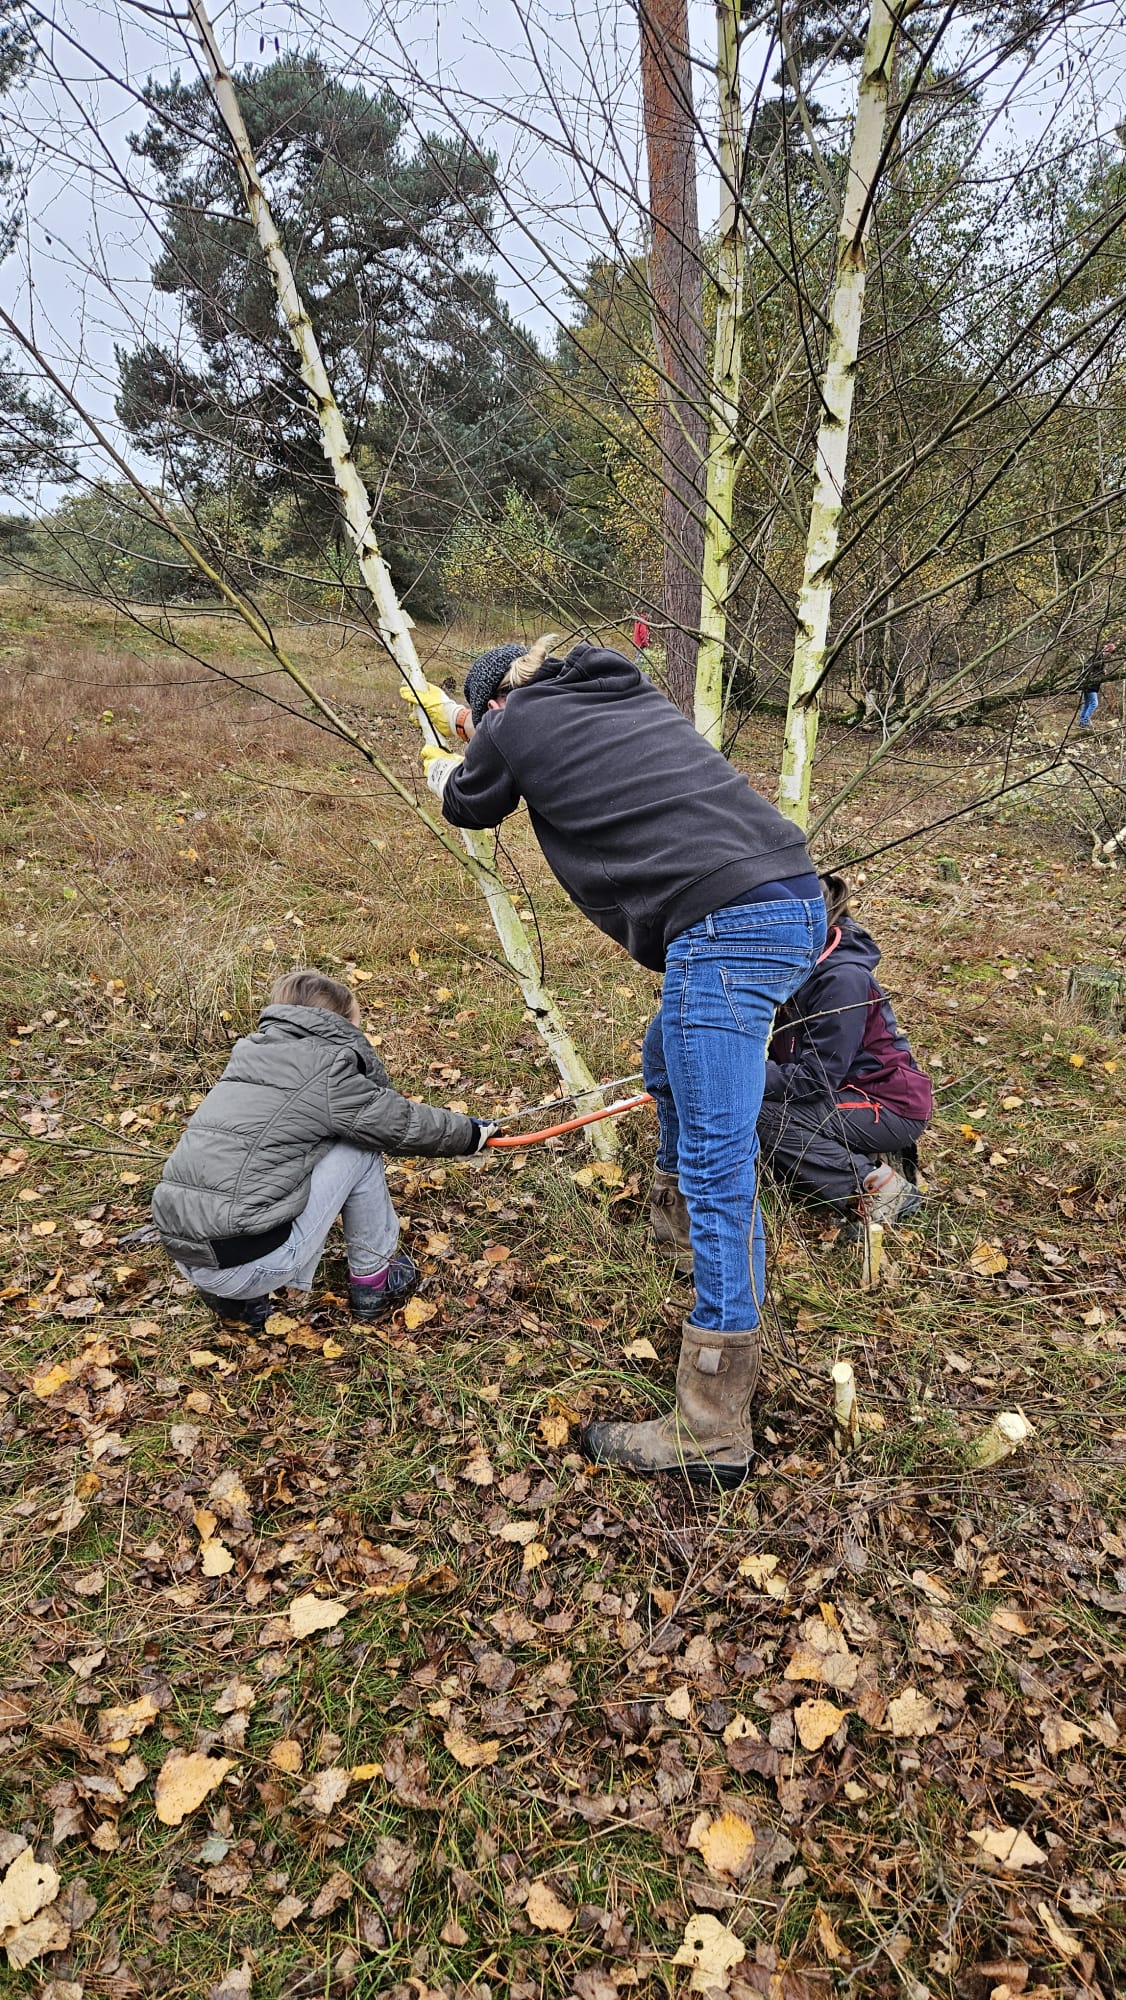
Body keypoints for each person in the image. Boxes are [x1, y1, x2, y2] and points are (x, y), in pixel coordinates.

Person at [406, 633, 826, 1486]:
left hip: (722, 929)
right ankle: (681, 1238)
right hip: (792, 900)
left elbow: (470, 805)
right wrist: (470, 724)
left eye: (481, 721)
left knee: (719, 1165)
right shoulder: (618, 696)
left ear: (494, 708)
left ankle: (712, 1423)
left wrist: (445, 765)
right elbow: (514, 735)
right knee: (665, 1056)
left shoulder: (515, 724)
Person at [151, 969, 494, 1329]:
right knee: (360, 1146)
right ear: (342, 1021)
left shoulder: (250, 1054)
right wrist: (470, 1134)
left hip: (187, 1254)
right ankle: (374, 1279)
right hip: (246, 1264)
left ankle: (238, 1303)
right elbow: (398, 1123)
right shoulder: (327, 1067)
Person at [756, 874, 931, 1230]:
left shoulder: (842, 979)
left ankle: (874, 1190)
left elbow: (814, 1079)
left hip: (888, 1104)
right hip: (844, 1094)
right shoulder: (797, 971)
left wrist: (737, 1074)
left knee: (759, 1113)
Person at [1079, 639, 1116, 727]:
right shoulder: (1097, 657)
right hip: (1090, 684)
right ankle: (1084, 722)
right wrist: (1102, 672)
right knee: (1094, 703)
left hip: (1090, 684)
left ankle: (1082, 721)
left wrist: (1102, 671)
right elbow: (1090, 669)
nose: (1109, 655)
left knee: (1087, 703)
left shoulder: (1100, 657)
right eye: (1110, 652)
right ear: (1107, 650)